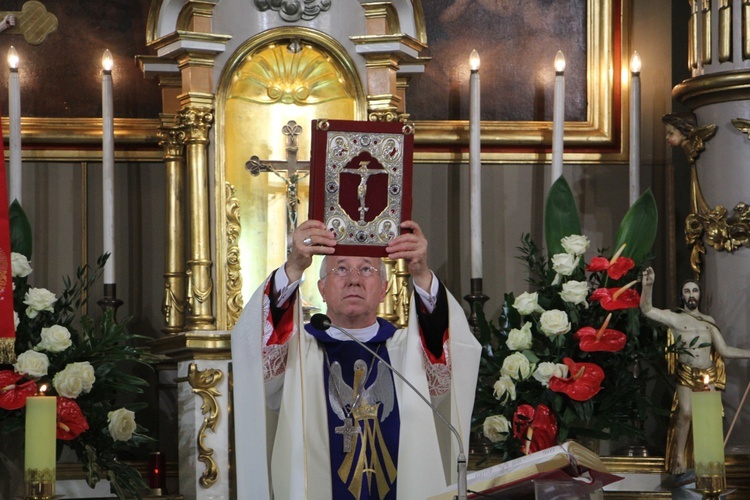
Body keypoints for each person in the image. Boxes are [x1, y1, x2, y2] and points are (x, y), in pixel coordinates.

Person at [232, 218, 481, 499]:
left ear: (384, 288)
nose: (353, 279)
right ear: (322, 288)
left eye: (366, 268)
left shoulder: (406, 351)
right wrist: (294, 266)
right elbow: (253, 351)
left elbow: (448, 364)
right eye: (340, 269)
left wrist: (421, 273)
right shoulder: (297, 352)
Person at [640, 267, 750, 474]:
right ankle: (679, 458)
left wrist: (748, 353)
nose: (691, 295)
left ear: (699, 295)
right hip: (686, 373)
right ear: (682, 295)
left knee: (709, 417)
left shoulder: (709, 321)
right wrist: (648, 286)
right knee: (686, 414)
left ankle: (708, 463)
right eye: (687, 291)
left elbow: (724, 350)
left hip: (707, 373)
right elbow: (647, 310)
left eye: (695, 291)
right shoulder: (675, 318)